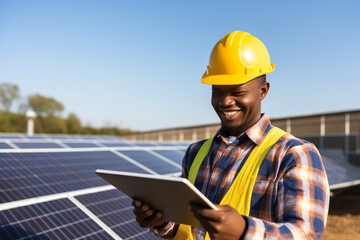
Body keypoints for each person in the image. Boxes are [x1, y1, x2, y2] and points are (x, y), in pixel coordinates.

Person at [132, 30, 330, 239]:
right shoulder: (196, 152)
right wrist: (163, 222)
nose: (225, 101)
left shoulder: (294, 154)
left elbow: (306, 233)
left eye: (237, 92)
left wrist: (244, 231)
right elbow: (189, 230)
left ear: (263, 91)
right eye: (217, 91)